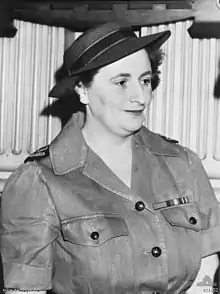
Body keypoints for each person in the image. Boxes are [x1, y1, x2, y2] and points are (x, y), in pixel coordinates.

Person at [0, 21, 220, 294]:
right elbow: (25, 290)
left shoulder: (183, 163)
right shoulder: (38, 181)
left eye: (145, 80)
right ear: (82, 89)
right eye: (121, 82)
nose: (140, 96)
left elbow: (206, 267)